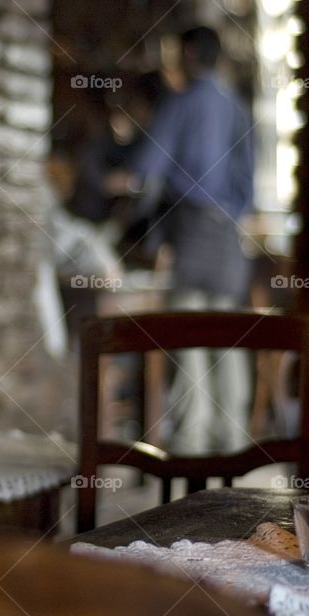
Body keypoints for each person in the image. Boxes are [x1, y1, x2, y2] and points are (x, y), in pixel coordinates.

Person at [105, 26, 255, 455]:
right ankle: (234, 440)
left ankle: (191, 441)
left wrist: (117, 183)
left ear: (189, 55)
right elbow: (248, 184)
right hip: (227, 232)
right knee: (227, 334)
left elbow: (147, 167)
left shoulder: (181, 103)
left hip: (189, 228)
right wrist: (228, 212)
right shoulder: (236, 107)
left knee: (188, 333)